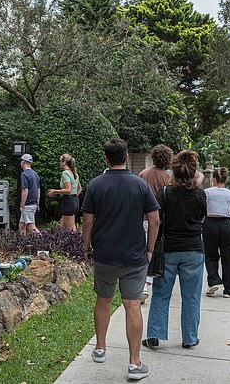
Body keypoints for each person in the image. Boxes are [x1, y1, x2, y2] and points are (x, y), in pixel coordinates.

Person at [82, 138, 160, 381]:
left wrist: (86, 248)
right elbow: (154, 220)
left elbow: (86, 221)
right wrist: (149, 250)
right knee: (132, 305)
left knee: (103, 299)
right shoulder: (140, 185)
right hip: (134, 256)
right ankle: (134, 364)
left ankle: (100, 348)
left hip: (104, 254)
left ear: (106, 159)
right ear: (126, 157)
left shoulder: (95, 185)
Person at [143, 150, 207, 351]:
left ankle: (154, 335)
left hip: (168, 249)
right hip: (194, 249)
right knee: (191, 296)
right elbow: (202, 219)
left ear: (174, 170)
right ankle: (190, 337)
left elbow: (157, 220)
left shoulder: (164, 193)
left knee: (161, 293)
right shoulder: (200, 194)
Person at [138, 145, 173, 304]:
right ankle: (155, 280)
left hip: (145, 218)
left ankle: (143, 284)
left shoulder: (143, 174)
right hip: (163, 220)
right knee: (157, 252)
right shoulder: (169, 177)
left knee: (145, 251)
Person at [203, 167, 230, 298]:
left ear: (213, 179)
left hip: (210, 223)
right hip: (226, 225)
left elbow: (201, 208)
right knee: (228, 256)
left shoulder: (206, 192)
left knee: (210, 254)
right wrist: (229, 218)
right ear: (226, 179)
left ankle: (213, 280)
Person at [47, 153, 82, 231]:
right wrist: (74, 197)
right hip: (74, 201)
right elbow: (79, 188)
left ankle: (77, 243)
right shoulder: (74, 173)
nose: (59, 162)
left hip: (68, 202)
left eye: (60, 161)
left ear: (64, 162)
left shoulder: (65, 173)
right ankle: (60, 242)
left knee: (71, 229)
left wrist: (55, 191)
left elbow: (68, 190)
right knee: (62, 227)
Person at [19, 154, 40, 235]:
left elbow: (25, 191)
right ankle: (22, 244)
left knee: (31, 226)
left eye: (21, 161)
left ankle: (43, 241)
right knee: (21, 225)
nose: (21, 163)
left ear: (23, 162)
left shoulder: (24, 174)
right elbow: (38, 190)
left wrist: (22, 205)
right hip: (34, 203)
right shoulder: (35, 174)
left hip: (28, 204)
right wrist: (37, 203)